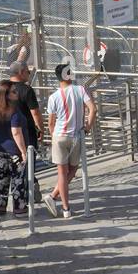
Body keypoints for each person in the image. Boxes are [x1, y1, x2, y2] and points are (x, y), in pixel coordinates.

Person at [44, 63, 96, 219]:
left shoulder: (53, 97)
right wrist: (87, 127)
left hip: (59, 136)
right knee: (72, 170)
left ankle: (64, 207)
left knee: (62, 172)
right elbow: (93, 109)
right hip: (76, 136)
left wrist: (54, 136)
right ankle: (54, 197)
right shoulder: (80, 90)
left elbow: (51, 123)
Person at [0, 80, 28, 216]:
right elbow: (16, 132)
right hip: (14, 151)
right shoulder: (14, 111)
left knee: (0, 181)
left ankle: (0, 208)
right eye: (13, 91)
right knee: (18, 181)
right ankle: (19, 209)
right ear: (6, 94)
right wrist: (23, 151)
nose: (16, 93)